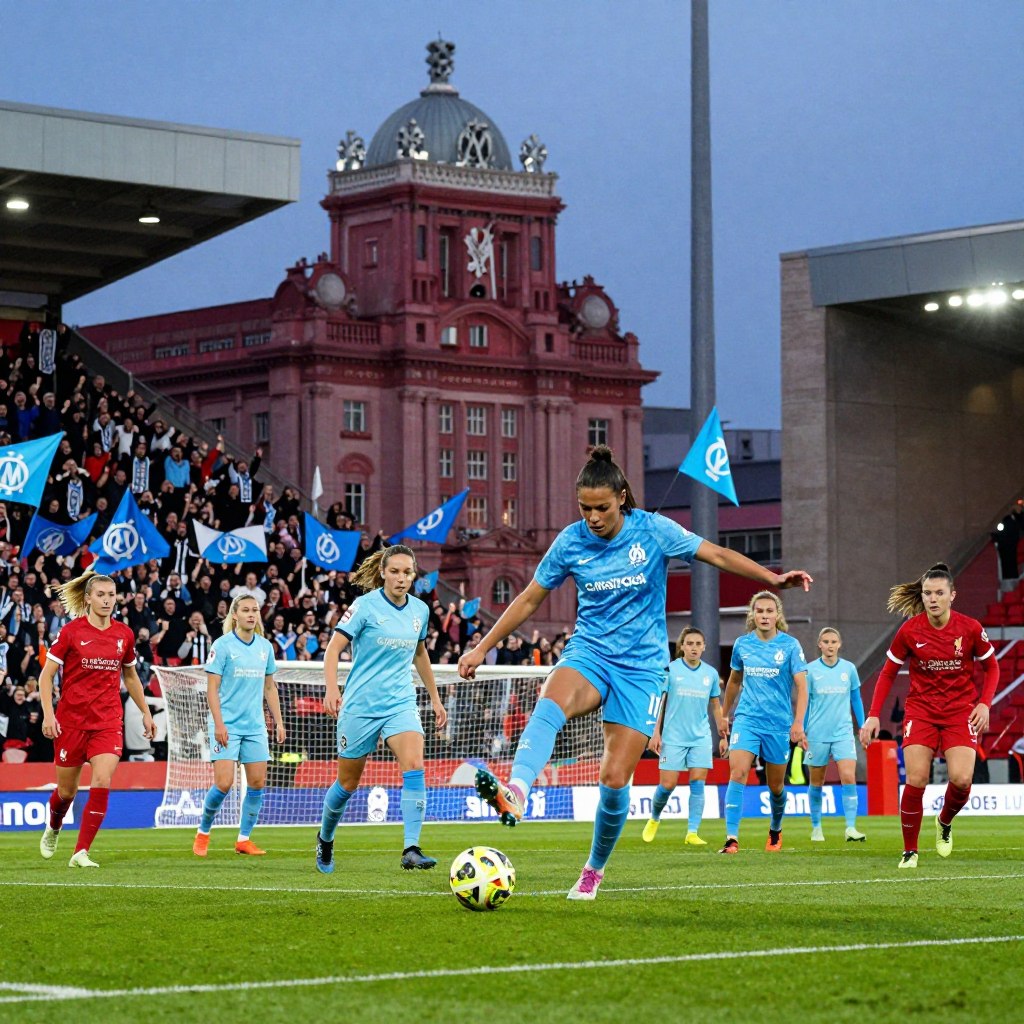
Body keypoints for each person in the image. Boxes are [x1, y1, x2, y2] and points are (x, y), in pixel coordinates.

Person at [458, 446, 812, 900]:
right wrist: (481, 647)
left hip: (642, 670)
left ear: (622, 497)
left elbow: (717, 554)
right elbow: (529, 598)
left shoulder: (654, 531)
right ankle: (518, 791)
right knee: (552, 696)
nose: (593, 518)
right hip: (590, 652)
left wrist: (772, 578)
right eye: (585, 508)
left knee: (613, 778)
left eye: (602, 508)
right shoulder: (570, 542)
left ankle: (593, 870)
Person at [316, 544, 447, 874]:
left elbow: (420, 654)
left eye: (407, 572)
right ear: (383, 573)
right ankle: (325, 838)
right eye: (395, 572)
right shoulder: (364, 607)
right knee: (347, 785)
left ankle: (411, 848)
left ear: (414, 575)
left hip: (400, 702)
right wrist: (332, 689)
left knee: (415, 764)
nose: (401, 578)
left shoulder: (420, 611)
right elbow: (333, 650)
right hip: (360, 705)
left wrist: (434, 697)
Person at [860, 563, 997, 869]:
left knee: (961, 780)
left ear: (952, 595)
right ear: (921, 596)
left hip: (960, 710)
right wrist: (873, 715)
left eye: (939, 593)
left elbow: (993, 667)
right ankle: (910, 850)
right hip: (921, 711)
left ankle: (944, 821)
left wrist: (984, 704)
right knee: (917, 778)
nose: (932, 599)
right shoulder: (909, 630)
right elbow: (887, 674)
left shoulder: (970, 628)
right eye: (927, 593)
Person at [37, 571, 155, 867]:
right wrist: (49, 715)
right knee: (66, 792)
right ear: (88, 598)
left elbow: (130, 675)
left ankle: (81, 851)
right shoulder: (71, 632)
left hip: (107, 720)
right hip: (71, 721)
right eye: (100, 595)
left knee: (102, 779)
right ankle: (54, 825)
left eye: (111, 595)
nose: (106, 600)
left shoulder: (123, 634)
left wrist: (146, 711)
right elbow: (46, 676)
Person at [192, 594, 284, 857]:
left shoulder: (265, 647)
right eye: (246, 610)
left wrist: (277, 721)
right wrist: (219, 724)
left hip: (254, 726)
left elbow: (269, 687)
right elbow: (212, 688)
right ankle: (203, 832)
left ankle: (243, 839)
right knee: (223, 783)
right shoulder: (222, 646)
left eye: (255, 610)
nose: (251, 614)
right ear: (235, 615)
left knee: (257, 782)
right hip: (227, 724)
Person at [718, 591, 809, 855]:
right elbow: (734, 681)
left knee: (776, 786)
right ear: (753, 615)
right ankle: (731, 839)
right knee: (737, 773)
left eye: (770, 611)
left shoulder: (790, 646)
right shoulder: (742, 645)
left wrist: (798, 722)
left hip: (778, 724)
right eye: (760, 611)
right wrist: (725, 715)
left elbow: (802, 687)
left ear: (777, 615)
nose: (765, 616)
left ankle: (775, 829)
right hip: (747, 719)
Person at [642, 627, 725, 847]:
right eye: (690, 644)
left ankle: (692, 832)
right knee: (667, 785)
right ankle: (655, 817)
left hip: (700, 737)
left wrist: (722, 733)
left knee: (698, 782)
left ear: (704, 647)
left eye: (698, 644)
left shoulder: (711, 674)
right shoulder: (671, 670)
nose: (694, 648)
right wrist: (655, 733)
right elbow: (660, 703)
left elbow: (716, 706)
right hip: (673, 736)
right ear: (682, 647)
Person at [804, 627, 866, 842]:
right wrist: (802, 730)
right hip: (817, 734)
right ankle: (816, 827)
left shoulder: (848, 669)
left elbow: (856, 699)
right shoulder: (809, 671)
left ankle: (850, 827)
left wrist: (863, 725)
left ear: (839, 644)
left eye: (833, 641)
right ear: (819, 645)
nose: (830, 645)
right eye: (826, 641)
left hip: (843, 733)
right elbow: (804, 704)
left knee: (848, 776)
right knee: (817, 781)